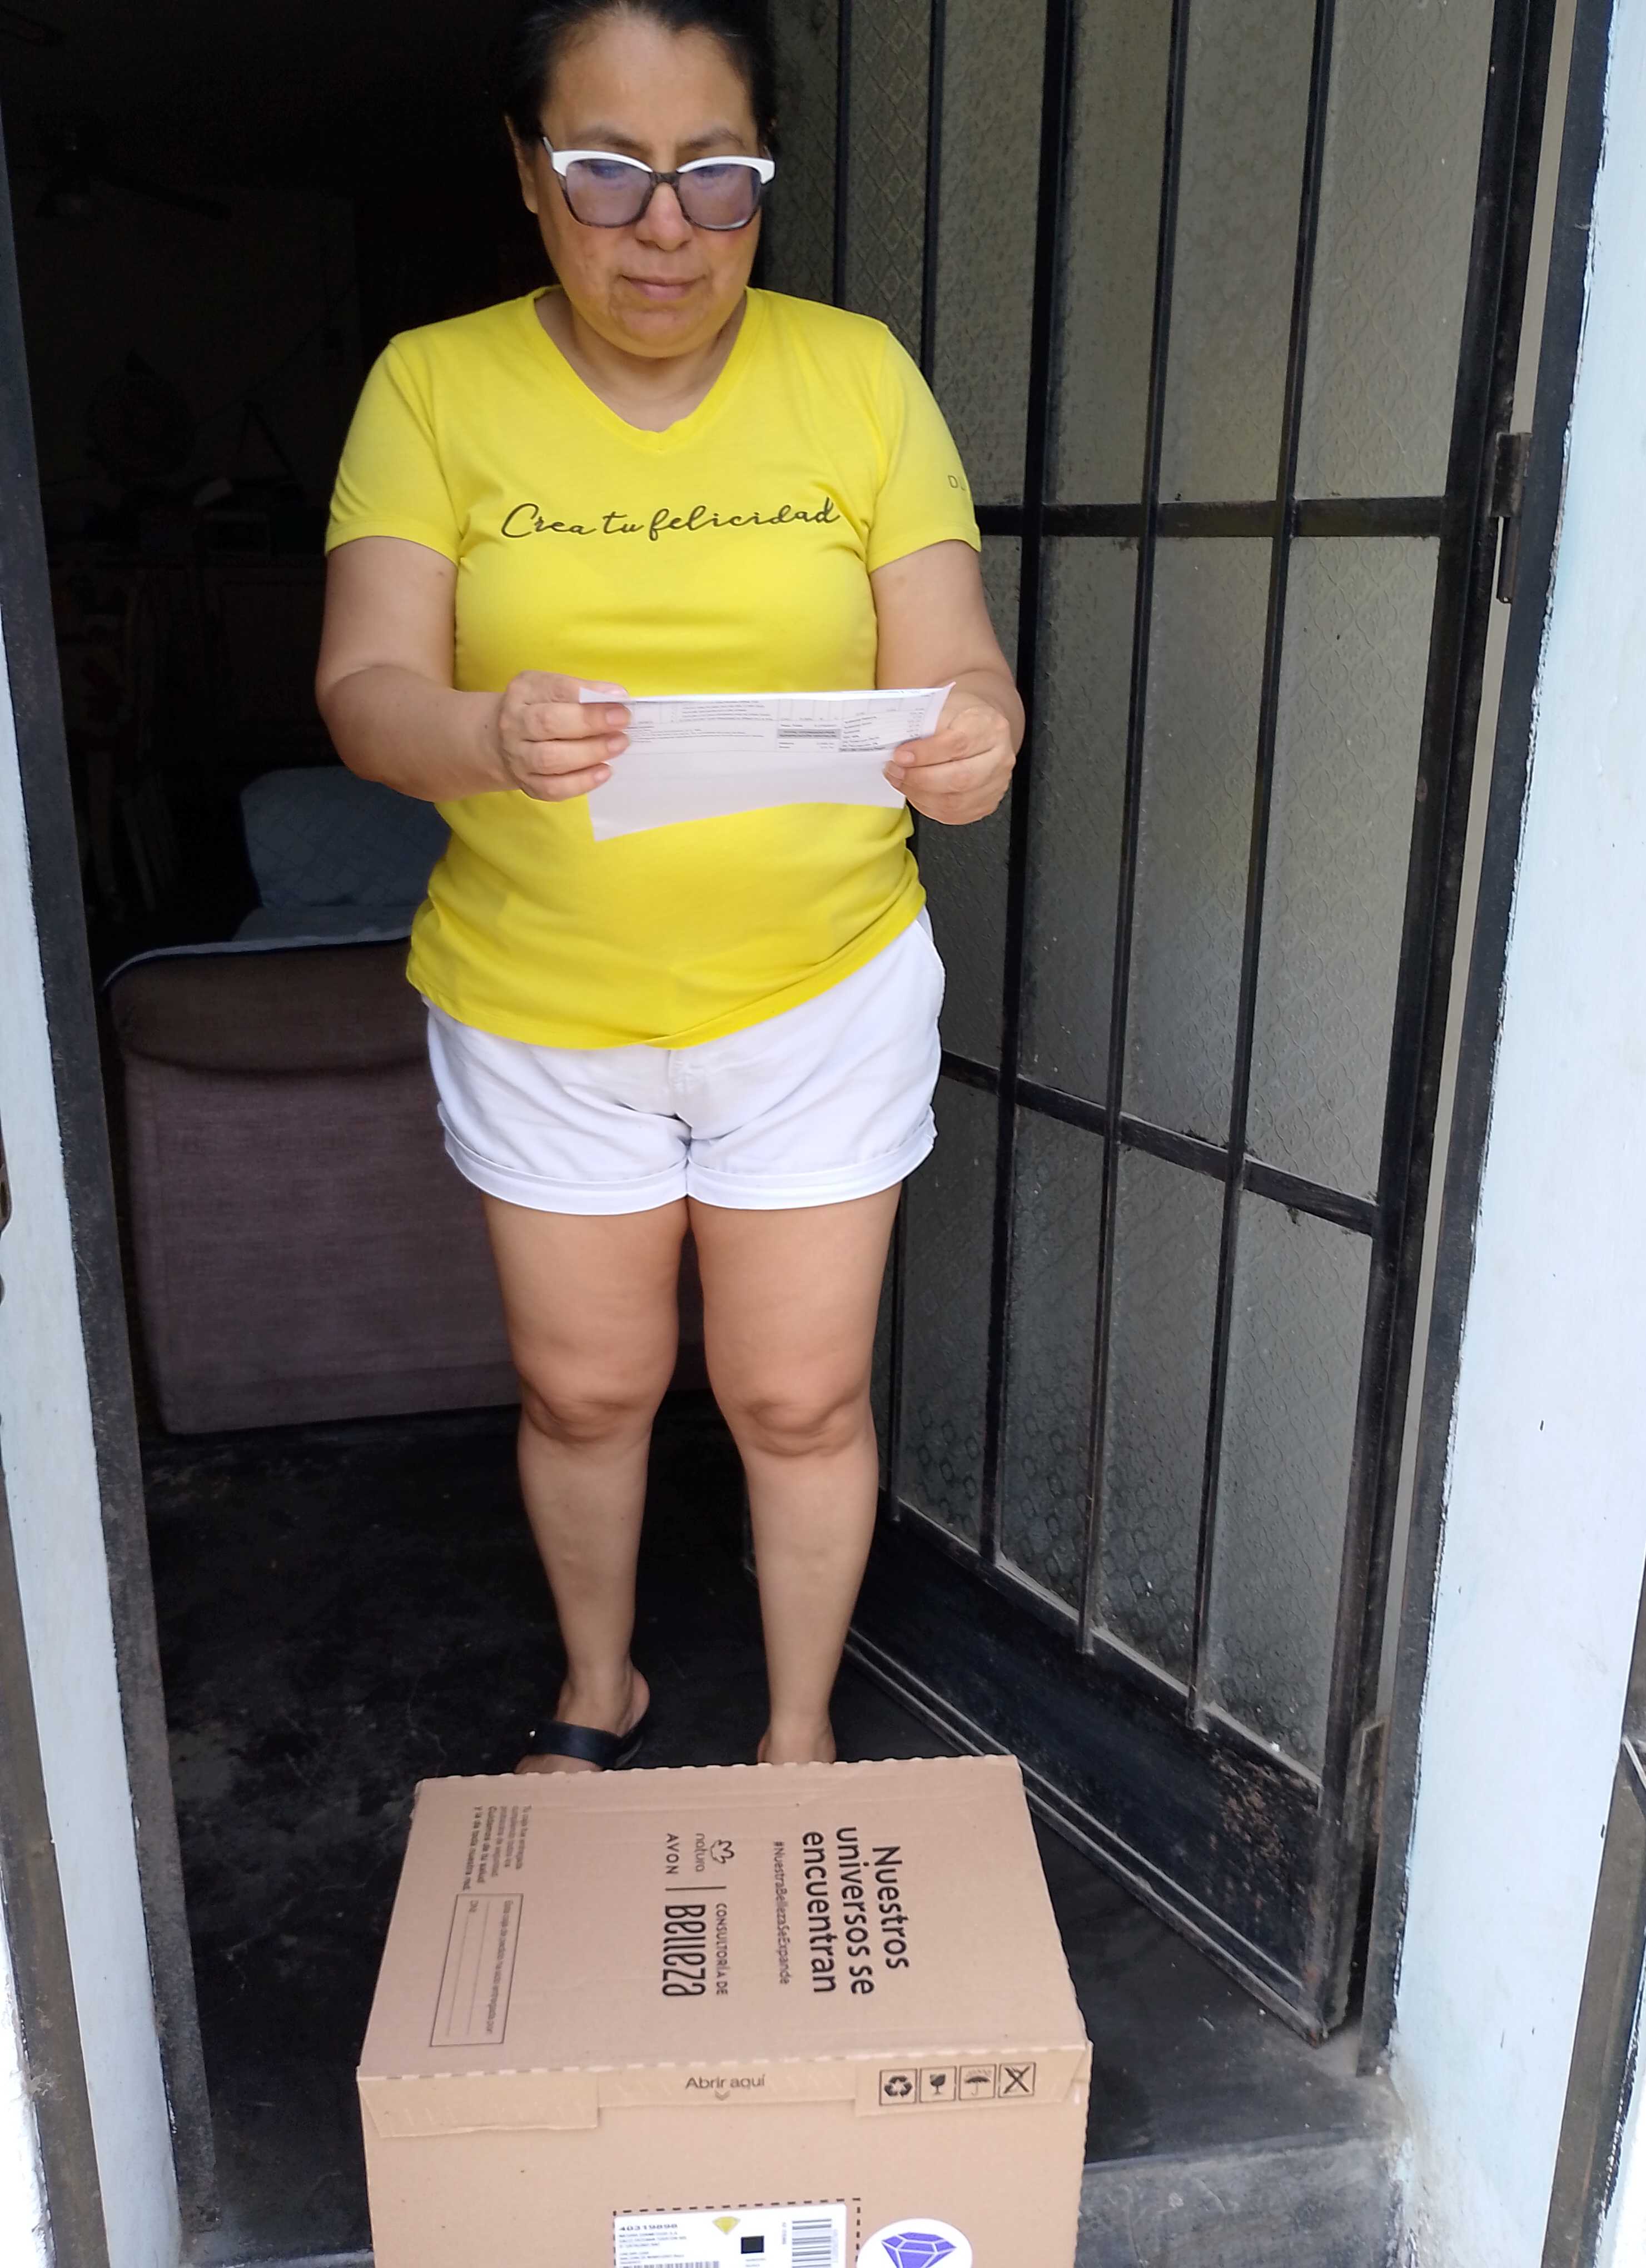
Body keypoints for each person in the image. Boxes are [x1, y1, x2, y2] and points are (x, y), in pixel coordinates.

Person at [315, 0, 1020, 1774]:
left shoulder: (857, 376)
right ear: (526, 172)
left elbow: (958, 663)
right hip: (540, 1000)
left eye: (716, 178)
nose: (664, 229)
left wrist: (982, 734)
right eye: (607, 173)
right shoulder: (432, 386)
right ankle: (598, 1687)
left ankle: (796, 1735)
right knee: (586, 1392)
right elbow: (365, 692)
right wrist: (485, 734)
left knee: (799, 1396)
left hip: (822, 988)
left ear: (763, 176)